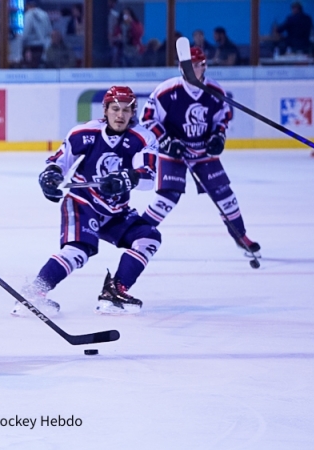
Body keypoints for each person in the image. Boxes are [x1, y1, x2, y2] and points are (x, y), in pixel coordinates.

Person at [16, 86, 159, 317]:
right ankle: (34, 293)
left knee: (149, 238)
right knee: (79, 250)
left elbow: (148, 178)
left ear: (134, 112)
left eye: (126, 110)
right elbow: (59, 162)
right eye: (115, 109)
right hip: (83, 201)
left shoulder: (144, 138)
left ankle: (115, 291)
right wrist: (50, 176)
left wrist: (128, 178)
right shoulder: (84, 133)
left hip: (117, 211)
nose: (120, 115)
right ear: (105, 109)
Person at [140, 47, 261, 256]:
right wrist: (166, 140)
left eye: (198, 65)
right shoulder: (166, 91)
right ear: (181, 67)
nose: (195, 69)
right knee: (167, 198)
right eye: (190, 66)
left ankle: (241, 236)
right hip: (174, 152)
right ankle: (136, 233)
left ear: (204, 65)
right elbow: (148, 119)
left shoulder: (215, 90)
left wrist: (218, 137)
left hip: (203, 152)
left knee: (224, 195)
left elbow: (223, 117)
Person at [21, 1, 52, 69]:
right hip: (43, 46)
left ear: (27, 5)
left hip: (31, 47)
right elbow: (49, 31)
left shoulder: (28, 15)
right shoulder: (44, 14)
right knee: (40, 66)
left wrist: (19, 41)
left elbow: (25, 33)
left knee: (31, 67)